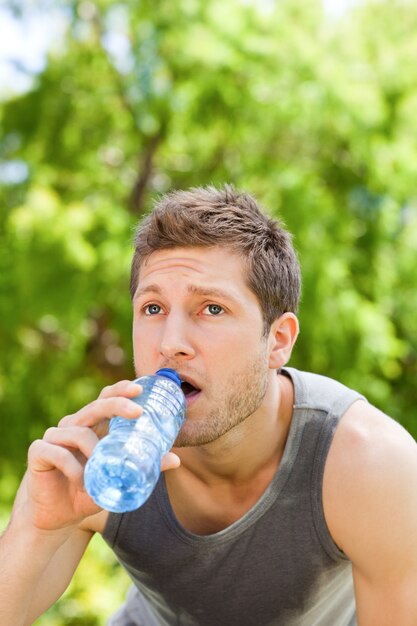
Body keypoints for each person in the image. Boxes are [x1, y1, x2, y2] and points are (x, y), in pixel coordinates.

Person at [1, 185, 417, 626]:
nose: (171, 343)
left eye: (212, 309)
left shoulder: (369, 463)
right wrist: (35, 526)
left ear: (278, 341)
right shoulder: (98, 456)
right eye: (154, 307)